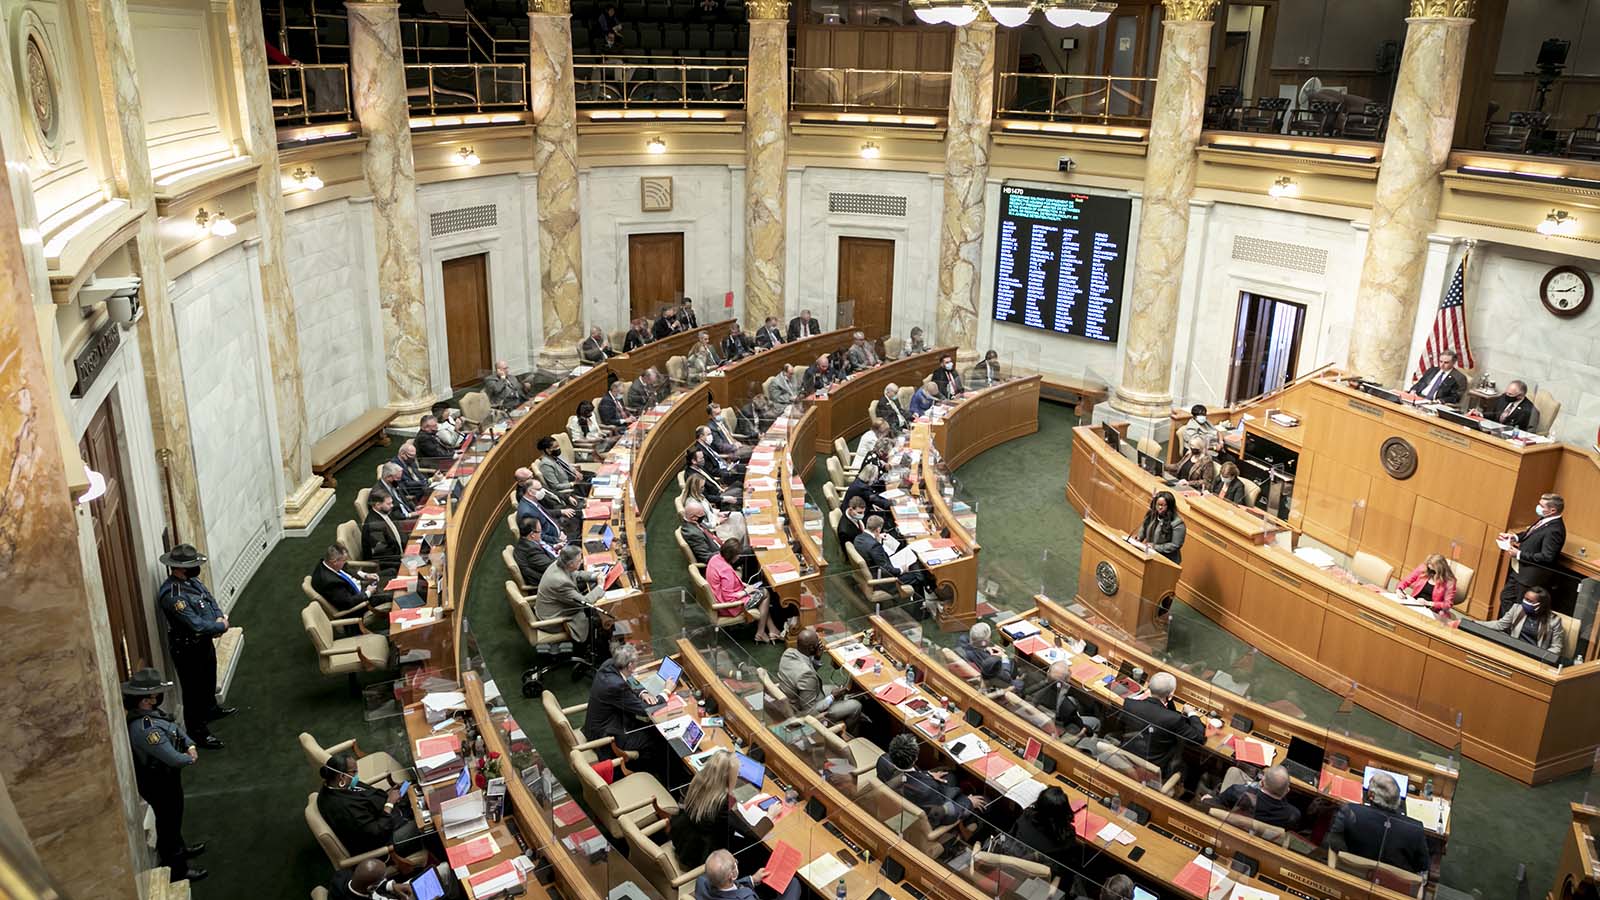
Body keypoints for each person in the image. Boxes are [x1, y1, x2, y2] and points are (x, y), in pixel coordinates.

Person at [124, 668, 206, 881]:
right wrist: (189, 758)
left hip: (166, 779)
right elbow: (172, 758)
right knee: (169, 824)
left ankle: (180, 849)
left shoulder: (152, 716)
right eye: (155, 694)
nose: (158, 697)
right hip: (159, 783)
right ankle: (177, 868)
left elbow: (174, 729)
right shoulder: (145, 728)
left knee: (174, 820)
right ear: (145, 701)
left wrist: (190, 744)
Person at [156, 545, 232, 749]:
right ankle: (198, 732)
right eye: (193, 564)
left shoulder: (192, 581)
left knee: (208, 679)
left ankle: (211, 710)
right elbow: (195, 624)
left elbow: (210, 600)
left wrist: (219, 617)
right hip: (188, 649)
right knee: (193, 692)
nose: (197, 567)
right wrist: (221, 626)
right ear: (180, 568)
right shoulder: (173, 595)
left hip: (203, 642)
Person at [583, 644, 672, 781]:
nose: (636, 665)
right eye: (636, 663)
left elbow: (628, 679)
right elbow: (645, 710)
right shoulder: (616, 685)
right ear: (630, 665)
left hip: (600, 725)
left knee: (651, 729)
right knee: (658, 738)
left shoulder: (610, 664)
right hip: (607, 737)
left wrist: (642, 692)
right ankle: (657, 774)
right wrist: (667, 691)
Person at [316, 751, 421, 858]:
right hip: (385, 842)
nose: (357, 775)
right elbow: (376, 833)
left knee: (415, 791)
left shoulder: (339, 785)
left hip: (386, 816)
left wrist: (388, 795)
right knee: (422, 823)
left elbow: (367, 797)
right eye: (354, 772)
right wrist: (389, 803)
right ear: (342, 776)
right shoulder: (343, 807)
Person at [1326, 772, 1430, 874]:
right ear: (1398, 800)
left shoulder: (1350, 811)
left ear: (1370, 795)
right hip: (1392, 884)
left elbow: (1334, 844)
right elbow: (1422, 866)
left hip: (1350, 875)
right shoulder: (1416, 829)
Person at [875, 733, 986, 826]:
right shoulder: (926, 791)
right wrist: (968, 802)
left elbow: (903, 775)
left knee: (950, 775)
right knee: (985, 801)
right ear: (915, 758)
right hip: (930, 807)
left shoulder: (883, 760)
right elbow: (945, 816)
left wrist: (927, 775)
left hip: (909, 793)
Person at [1119, 672, 1205, 779]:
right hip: (1154, 768)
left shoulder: (1129, 704)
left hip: (1126, 758)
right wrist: (1192, 713)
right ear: (1171, 695)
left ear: (1149, 687)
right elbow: (1198, 739)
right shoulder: (1174, 719)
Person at [997, 787, 1083, 892]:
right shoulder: (1065, 838)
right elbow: (1066, 870)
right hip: (1040, 884)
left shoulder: (1026, 816)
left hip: (1011, 872)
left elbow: (1010, 835)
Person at [778, 627, 863, 727]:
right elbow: (809, 711)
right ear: (811, 648)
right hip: (801, 712)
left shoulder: (788, 653)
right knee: (856, 705)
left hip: (795, 698)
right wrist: (832, 697)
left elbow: (804, 670)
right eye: (817, 643)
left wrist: (817, 658)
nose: (820, 645)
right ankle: (846, 731)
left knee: (834, 688)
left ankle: (842, 710)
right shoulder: (806, 676)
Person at [1498, 493, 1566, 615]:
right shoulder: (1545, 519)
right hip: (1520, 571)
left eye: (1542, 506)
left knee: (1520, 608)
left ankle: (1514, 627)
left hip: (1530, 577)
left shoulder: (1555, 530)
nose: (1538, 507)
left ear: (1552, 510)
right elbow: (1532, 534)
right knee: (1506, 597)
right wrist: (1514, 537)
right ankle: (1508, 624)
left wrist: (1519, 554)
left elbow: (1547, 556)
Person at [535, 546, 608, 658]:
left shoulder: (559, 564)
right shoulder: (560, 582)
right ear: (570, 564)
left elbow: (576, 574)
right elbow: (585, 602)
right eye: (579, 561)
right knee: (599, 620)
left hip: (550, 609)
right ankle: (596, 652)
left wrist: (595, 576)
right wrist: (600, 587)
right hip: (553, 620)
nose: (582, 561)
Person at [708, 538, 779, 640]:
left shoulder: (715, 559)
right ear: (731, 555)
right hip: (729, 607)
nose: (738, 557)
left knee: (760, 597)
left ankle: (772, 630)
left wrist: (743, 585)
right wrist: (746, 591)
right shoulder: (726, 570)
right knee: (765, 593)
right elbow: (729, 598)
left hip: (718, 598)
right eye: (737, 555)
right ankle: (760, 632)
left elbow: (725, 583)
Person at [854, 514, 935, 598]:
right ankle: (925, 594)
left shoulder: (858, 538)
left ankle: (926, 590)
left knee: (912, 563)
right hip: (884, 580)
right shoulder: (874, 546)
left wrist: (877, 538)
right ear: (878, 529)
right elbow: (887, 569)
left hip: (874, 570)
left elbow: (873, 553)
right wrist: (901, 570)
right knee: (918, 574)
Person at [1203, 765, 1301, 830]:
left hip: (1231, 829)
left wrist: (1207, 799)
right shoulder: (1293, 815)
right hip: (1260, 842)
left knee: (1233, 771)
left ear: (1261, 783)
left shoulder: (1237, 792)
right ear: (1287, 791)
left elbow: (1214, 805)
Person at [1024, 661, 1101, 737]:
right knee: (1096, 722)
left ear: (1048, 672)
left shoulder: (1029, 686)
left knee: (1073, 700)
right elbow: (1080, 728)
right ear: (1068, 679)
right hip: (1057, 730)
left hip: (1033, 722)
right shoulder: (1067, 706)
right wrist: (1087, 731)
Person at [1486, 585, 1567, 656]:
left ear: (1541, 605)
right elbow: (1499, 625)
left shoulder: (1554, 621)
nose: (1525, 602)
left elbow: (1556, 647)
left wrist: (1541, 656)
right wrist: (1478, 623)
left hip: (1534, 656)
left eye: (1530, 601)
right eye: (1525, 598)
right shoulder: (1517, 608)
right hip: (1513, 650)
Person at [696, 849, 800, 900]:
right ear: (732, 875)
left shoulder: (701, 882)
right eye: (735, 862)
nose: (737, 862)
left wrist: (752, 879)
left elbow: (726, 887)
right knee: (793, 883)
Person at [312, 543, 386, 613]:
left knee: (390, 573)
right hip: (360, 603)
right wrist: (368, 592)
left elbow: (346, 569)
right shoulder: (331, 583)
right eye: (344, 560)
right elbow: (348, 602)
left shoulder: (327, 563)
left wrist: (365, 575)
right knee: (390, 595)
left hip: (360, 587)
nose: (345, 562)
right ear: (334, 562)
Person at [844, 463, 897, 533]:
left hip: (856, 508)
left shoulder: (860, 481)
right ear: (870, 477)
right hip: (855, 514)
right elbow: (876, 500)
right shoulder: (862, 488)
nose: (875, 479)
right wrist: (894, 502)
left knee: (882, 513)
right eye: (875, 477)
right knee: (883, 516)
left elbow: (872, 496)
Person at [327, 859, 416, 900]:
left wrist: (392, 886)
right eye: (383, 878)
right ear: (371, 888)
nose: (385, 879)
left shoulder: (341, 876)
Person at [518, 479, 573, 545]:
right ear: (530, 492)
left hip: (558, 530)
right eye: (539, 489)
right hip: (554, 541)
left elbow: (546, 514)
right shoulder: (527, 513)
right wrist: (558, 540)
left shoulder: (532, 501)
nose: (542, 491)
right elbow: (538, 535)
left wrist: (560, 529)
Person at [1135, 491, 1185, 563]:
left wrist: (1155, 547)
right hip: (1149, 555)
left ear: (1170, 506)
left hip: (1166, 560)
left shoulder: (1177, 523)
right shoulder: (1152, 514)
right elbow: (1144, 527)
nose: (1160, 507)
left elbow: (1175, 545)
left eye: (1163, 505)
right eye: (1158, 505)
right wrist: (1139, 537)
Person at [537, 435, 590, 500]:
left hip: (574, 478)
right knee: (592, 486)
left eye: (558, 445)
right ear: (548, 450)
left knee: (593, 476)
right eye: (555, 447)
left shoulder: (556, 456)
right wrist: (573, 483)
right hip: (570, 487)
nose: (558, 448)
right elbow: (555, 486)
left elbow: (567, 466)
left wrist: (576, 472)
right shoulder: (546, 465)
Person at [514, 516, 560, 587]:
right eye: (540, 531)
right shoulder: (531, 550)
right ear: (532, 535)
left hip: (550, 571)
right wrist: (563, 555)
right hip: (550, 581)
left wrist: (554, 547)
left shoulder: (525, 542)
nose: (541, 534)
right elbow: (551, 566)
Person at [363, 491, 406, 563]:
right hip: (392, 563)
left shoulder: (385, 512)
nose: (392, 505)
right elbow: (384, 555)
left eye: (391, 503)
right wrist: (403, 559)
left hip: (401, 554)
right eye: (388, 504)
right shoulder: (374, 526)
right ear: (378, 505)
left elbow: (398, 532)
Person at [680, 500, 726, 565]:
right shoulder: (692, 534)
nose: (703, 516)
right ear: (694, 518)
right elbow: (706, 557)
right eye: (702, 515)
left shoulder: (695, 523)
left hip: (719, 547)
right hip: (720, 560)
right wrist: (727, 552)